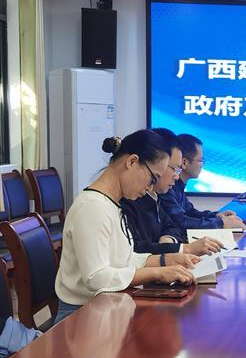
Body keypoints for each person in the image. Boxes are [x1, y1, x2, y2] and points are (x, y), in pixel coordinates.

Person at [54, 131, 199, 323]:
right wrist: (158, 272)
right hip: (80, 317)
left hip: (105, 309)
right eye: (152, 179)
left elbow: (123, 259)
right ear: (132, 162)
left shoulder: (111, 203)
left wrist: (166, 259)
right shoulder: (93, 207)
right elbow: (96, 278)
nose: (150, 188)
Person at [121, 128, 224, 257]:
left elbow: (173, 227)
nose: (176, 176)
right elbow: (134, 249)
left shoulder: (154, 197)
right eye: (175, 168)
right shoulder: (130, 199)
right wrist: (183, 249)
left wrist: (169, 239)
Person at [160, 133, 244, 236]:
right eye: (201, 161)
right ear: (184, 162)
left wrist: (217, 216)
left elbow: (190, 212)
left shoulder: (179, 185)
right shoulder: (167, 187)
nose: (202, 165)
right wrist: (221, 223)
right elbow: (181, 222)